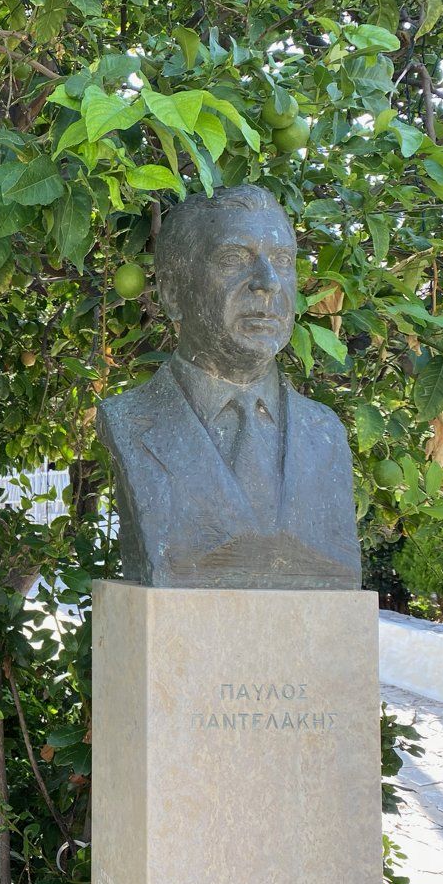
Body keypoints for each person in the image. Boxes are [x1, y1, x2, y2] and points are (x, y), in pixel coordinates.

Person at [95, 184, 361, 589]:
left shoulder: (325, 433)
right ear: (172, 293)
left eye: (283, 260)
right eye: (234, 259)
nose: (268, 283)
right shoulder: (130, 422)